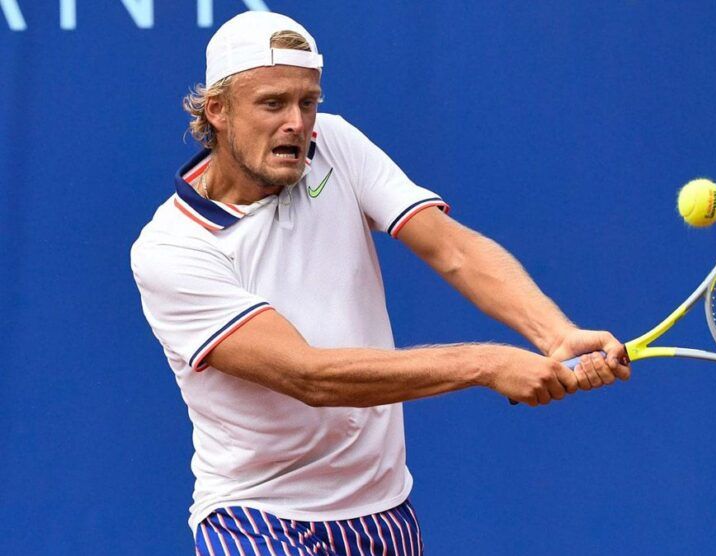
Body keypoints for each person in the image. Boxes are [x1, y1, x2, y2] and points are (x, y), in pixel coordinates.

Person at [131, 10, 630, 555]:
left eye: (308, 101)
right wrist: (487, 364)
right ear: (218, 110)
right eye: (273, 104)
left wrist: (555, 333)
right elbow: (309, 376)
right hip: (257, 519)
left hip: (383, 514)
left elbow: (454, 249)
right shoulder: (172, 250)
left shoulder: (335, 143)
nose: (297, 122)